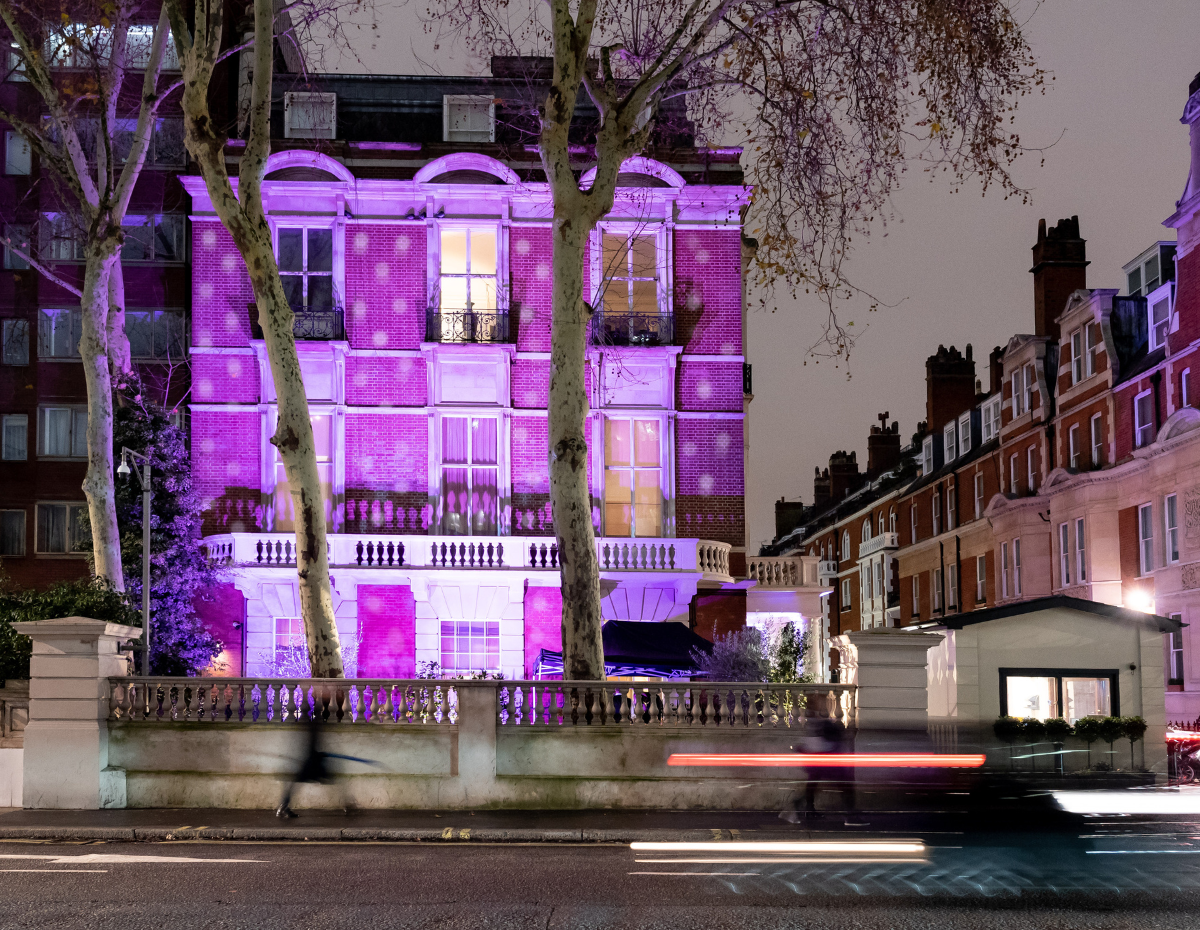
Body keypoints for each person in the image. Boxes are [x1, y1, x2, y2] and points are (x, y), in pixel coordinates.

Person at [781, 716, 857, 824]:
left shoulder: (818, 733)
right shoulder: (829, 737)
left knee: (813, 786)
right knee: (846, 787)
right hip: (828, 764)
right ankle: (850, 816)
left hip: (820, 763)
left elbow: (802, 746)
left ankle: (802, 809)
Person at [277, 714, 346, 818]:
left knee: (296, 782)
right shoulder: (313, 727)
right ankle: (348, 805)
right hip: (312, 762)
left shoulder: (311, 726)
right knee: (333, 779)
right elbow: (311, 746)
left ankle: (283, 807)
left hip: (312, 761)